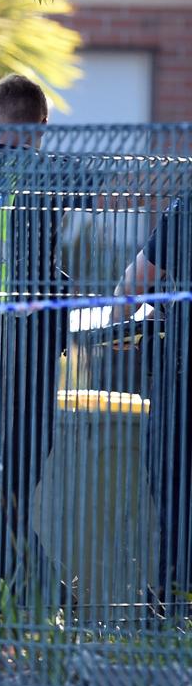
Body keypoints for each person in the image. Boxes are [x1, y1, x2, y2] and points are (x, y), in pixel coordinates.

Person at [0, 74, 72, 594]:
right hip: (30, 340)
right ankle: (43, 586)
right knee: (16, 478)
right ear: (42, 125)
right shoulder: (53, 174)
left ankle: (26, 587)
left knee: (2, 483)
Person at [114, 195, 192, 608]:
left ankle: (173, 604)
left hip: (181, 380)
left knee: (173, 488)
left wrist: (115, 323)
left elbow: (134, 283)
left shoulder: (188, 207)